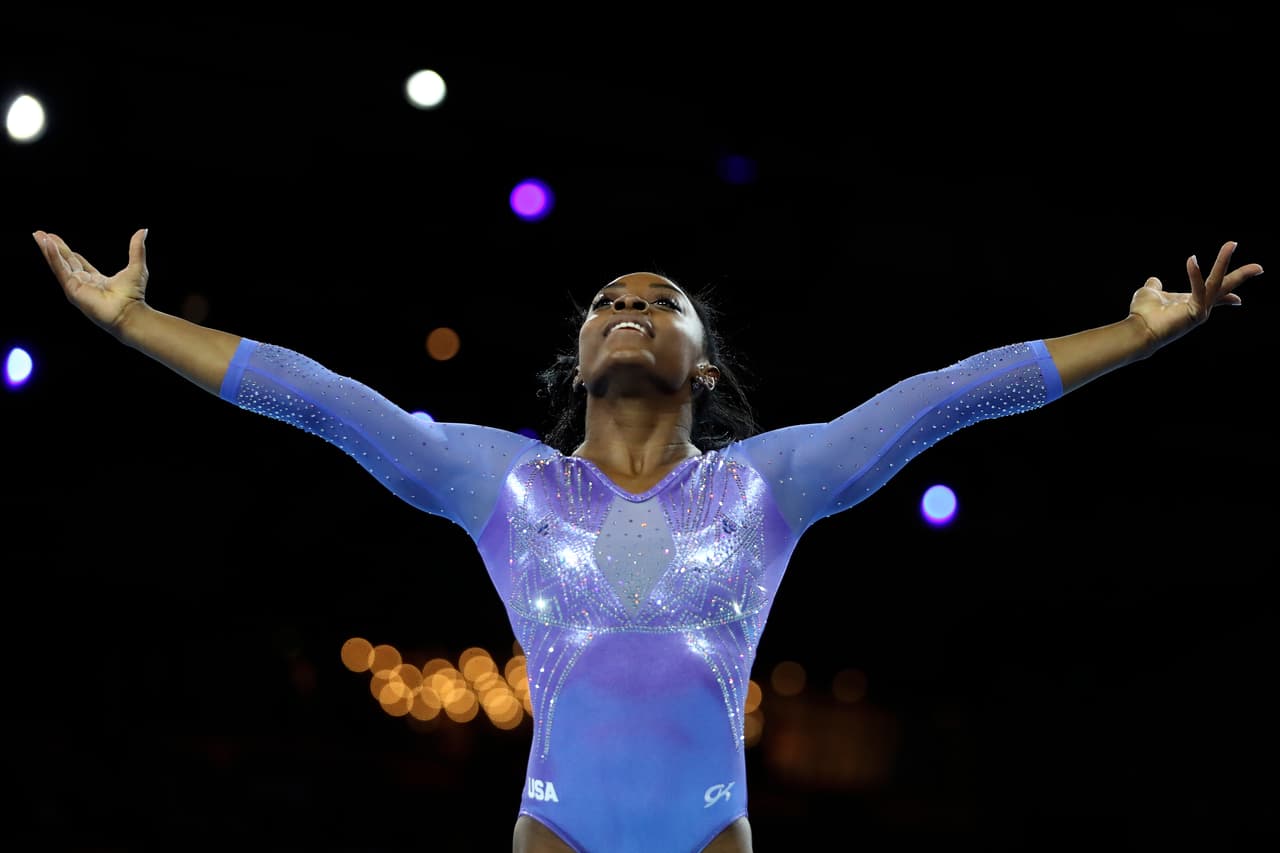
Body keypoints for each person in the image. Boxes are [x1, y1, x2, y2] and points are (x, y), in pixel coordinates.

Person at [30, 227, 1262, 853]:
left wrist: (1134, 332)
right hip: (554, 826)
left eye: (654, 303)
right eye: (607, 305)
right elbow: (312, 395)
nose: (626, 312)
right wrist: (133, 325)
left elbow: (949, 391)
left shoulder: (771, 483)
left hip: (707, 829)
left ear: (700, 365)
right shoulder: (495, 482)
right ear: (577, 360)